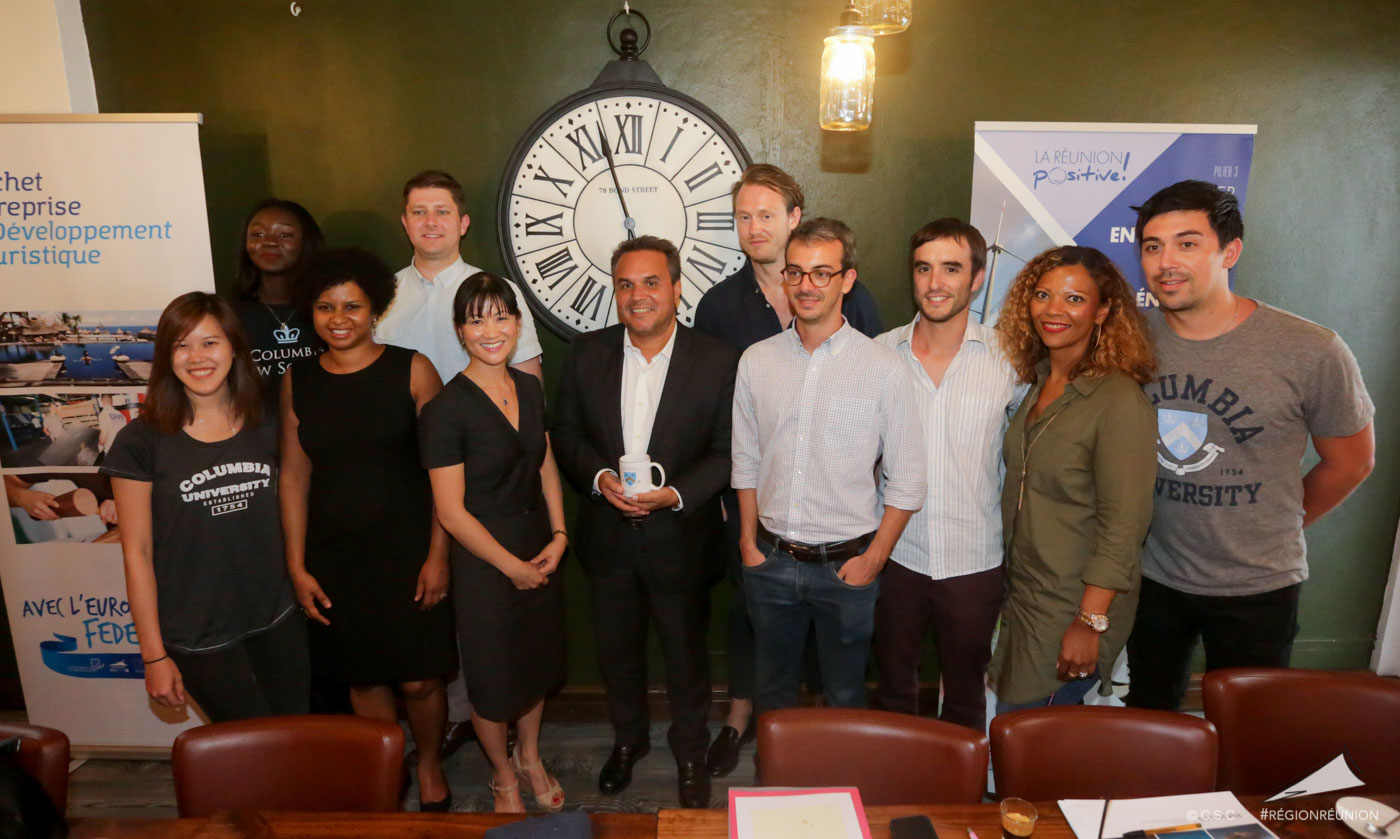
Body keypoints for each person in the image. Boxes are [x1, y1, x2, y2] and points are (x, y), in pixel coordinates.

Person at [1124, 181, 1374, 711]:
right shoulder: (1131, 340)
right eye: (1152, 245)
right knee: (1149, 718)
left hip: (1259, 586)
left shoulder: (1311, 348)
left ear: (1229, 251)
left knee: (1251, 729)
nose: (1166, 261)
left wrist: (1277, 523)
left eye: (1187, 243)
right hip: (1154, 577)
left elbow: (1351, 460)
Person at [692, 164, 883, 777]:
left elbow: (875, 400)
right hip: (750, 500)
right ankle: (746, 721)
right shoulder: (721, 305)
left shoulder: (859, 300)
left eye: (766, 214)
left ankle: (827, 752)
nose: (754, 227)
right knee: (755, 623)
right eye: (743, 216)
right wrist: (735, 508)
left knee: (835, 653)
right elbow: (717, 406)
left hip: (838, 513)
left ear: (794, 219)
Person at [551, 236, 737, 809]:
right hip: (607, 540)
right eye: (626, 284)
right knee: (617, 656)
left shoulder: (717, 358)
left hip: (682, 538)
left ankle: (688, 753)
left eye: (652, 282)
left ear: (677, 288)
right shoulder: (587, 354)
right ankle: (628, 743)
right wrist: (601, 479)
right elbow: (566, 435)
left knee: (686, 659)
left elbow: (729, 452)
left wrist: (676, 494)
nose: (638, 295)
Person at [278, 248, 456, 811]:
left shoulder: (414, 368)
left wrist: (438, 554)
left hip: (408, 549)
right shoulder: (297, 380)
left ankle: (428, 762)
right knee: (362, 677)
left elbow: (444, 474)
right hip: (336, 556)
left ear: (374, 308)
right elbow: (293, 477)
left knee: (421, 680)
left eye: (352, 305)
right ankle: (391, 761)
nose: (339, 318)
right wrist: (297, 565)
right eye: (326, 306)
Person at [376, 170, 543, 753]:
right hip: (402, 476)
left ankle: (488, 717)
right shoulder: (383, 295)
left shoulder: (492, 290)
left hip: (488, 479)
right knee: (429, 600)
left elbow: (528, 394)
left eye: (441, 211)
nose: (430, 222)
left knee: (487, 610)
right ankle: (447, 717)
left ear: (463, 222)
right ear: (405, 222)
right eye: (418, 211)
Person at [732, 218, 925, 718]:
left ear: (847, 279)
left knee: (844, 699)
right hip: (770, 563)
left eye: (821, 273)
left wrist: (873, 560)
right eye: (795, 273)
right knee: (772, 699)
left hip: (848, 569)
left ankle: (841, 793)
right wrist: (748, 543)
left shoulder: (884, 367)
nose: (806, 286)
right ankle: (777, 794)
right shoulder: (756, 361)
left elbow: (907, 478)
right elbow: (746, 458)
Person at [102, 292, 307, 722]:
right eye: (182, 345)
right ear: (166, 356)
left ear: (234, 345)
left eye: (210, 342)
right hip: (197, 633)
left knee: (296, 737)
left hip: (277, 616)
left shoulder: (269, 421)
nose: (197, 357)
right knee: (252, 750)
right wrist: (154, 657)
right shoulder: (141, 442)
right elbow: (136, 554)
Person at [419, 272, 568, 814]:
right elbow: (451, 512)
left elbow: (545, 463)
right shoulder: (445, 410)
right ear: (460, 330)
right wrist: (512, 567)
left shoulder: (529, 387)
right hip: (486, 561)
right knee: (492, 676)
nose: (490, 329)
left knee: (534, 665)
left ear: (517, 322)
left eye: (500, 315)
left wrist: (559, 534)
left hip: (538, 548)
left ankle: (529, 757)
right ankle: (503, 775)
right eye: (476, 318)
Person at [872, 219, 1025, 732]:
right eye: (924, 267)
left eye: (951, 268)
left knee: (965, 698)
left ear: (977, 278)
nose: (935, 282)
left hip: (975, 559)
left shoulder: (1010, 360)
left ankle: (960, 806)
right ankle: (899, 794)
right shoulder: (877, 354)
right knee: (893, 693)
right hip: (895, 556)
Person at [990, 246, 1157, 711]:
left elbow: (1124, 525)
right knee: (1021, 733)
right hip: (1024, 593)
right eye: (1043, 295)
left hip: (1071, 605)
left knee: (1032, 736)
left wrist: (1089, 622)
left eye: (1074, 299)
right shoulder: (1038, 383)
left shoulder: (1118, 401)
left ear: (1103, 311)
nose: (1053, 310)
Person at [229, 198, 326, 391]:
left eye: (285, 234)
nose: (270, 242)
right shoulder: (228, 315)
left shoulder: (330, 310)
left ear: (306, 242)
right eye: (258, 234)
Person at [95, 393, 128, 465]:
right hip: (123, 450)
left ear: (101, 401)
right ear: (111, 401)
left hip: (111, 451)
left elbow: (104, 437)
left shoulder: (103, 414)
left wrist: (100, 445)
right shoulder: (121, 414)